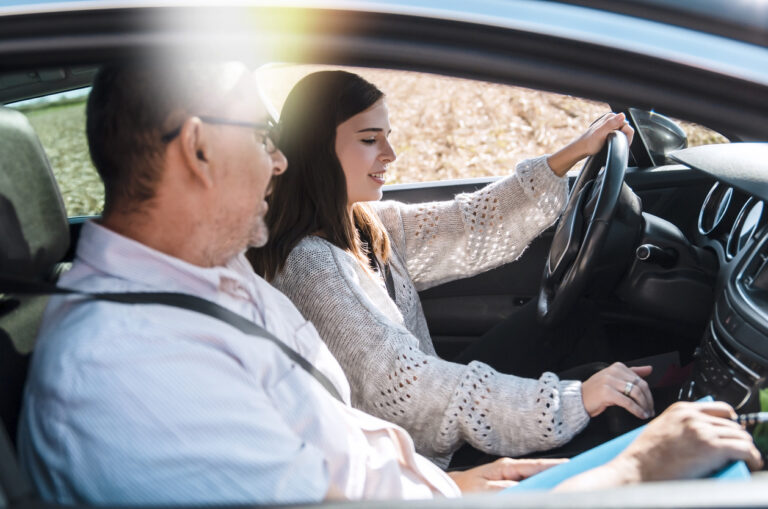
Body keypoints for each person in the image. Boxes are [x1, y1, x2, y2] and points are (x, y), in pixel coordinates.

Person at [17, 62, 762, 507]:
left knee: (698, 443)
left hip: (434, 488)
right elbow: (403, 391)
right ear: (200, 146)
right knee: (696, 457)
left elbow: (468, 225)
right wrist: (631, 465)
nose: (275, 162)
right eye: (260, 135)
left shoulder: (213, 281)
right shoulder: (131, 369)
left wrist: (455, 486)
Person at [249, 70, 650, 466]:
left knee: (575, 315)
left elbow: (469, 222)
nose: (390, 154)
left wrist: (574, 151)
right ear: (317, 148)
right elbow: (410, 388)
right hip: (411, 456)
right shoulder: (310, 267)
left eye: (388, 136)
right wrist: (569, 400)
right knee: (605, 407)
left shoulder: (364, 221)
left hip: (430, 406)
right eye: (370, 139)